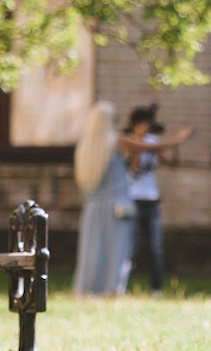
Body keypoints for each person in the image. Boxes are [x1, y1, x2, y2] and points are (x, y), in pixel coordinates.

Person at [118, 104, 193, 295]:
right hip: (133, 201)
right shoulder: (127, 140)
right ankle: (121, 286)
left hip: (151, 202)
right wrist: (178, 139)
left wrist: (173, 149)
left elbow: (169, 161)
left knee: (156, 248)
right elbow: (133, 166)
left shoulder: (153, 141)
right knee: (130, 248)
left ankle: (156, 289)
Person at [73, 102, 136, 297]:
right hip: (117, 206)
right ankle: (112, 288)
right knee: (117, 248)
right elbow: (149, 147)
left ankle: (88, 287)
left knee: (91, 249)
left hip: (92, 206)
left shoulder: (84, 148)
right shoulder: (117, 141)